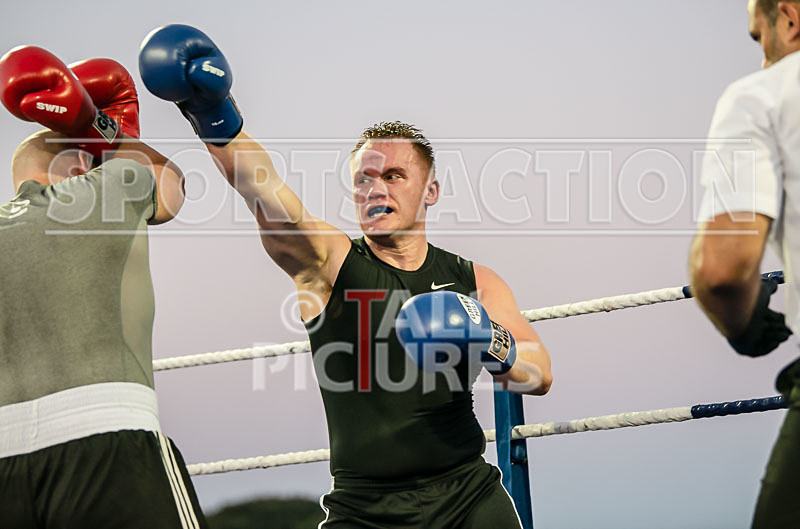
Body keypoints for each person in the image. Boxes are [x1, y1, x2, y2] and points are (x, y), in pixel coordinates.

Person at [139, 24, 552, 529]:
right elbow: (265, 193)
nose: (376, 189)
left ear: (431, 191)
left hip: (469, 497)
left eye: (394, 176)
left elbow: (538, 374)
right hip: (363, 510)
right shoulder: (330, 263)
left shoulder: (474, 279)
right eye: (364, 179)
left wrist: (489, 340)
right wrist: (214, 114)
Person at [0, 45, 208, 528]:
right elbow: (172, 186)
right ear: (79, 166)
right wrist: (98, 126)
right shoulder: (98, 189)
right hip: (108, 437)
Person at [689, 1, 800, 527]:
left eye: (760, 37)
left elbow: (723, 270)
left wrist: (744, 324)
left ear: (790, 19)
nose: (762, 58)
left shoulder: (765, 96)